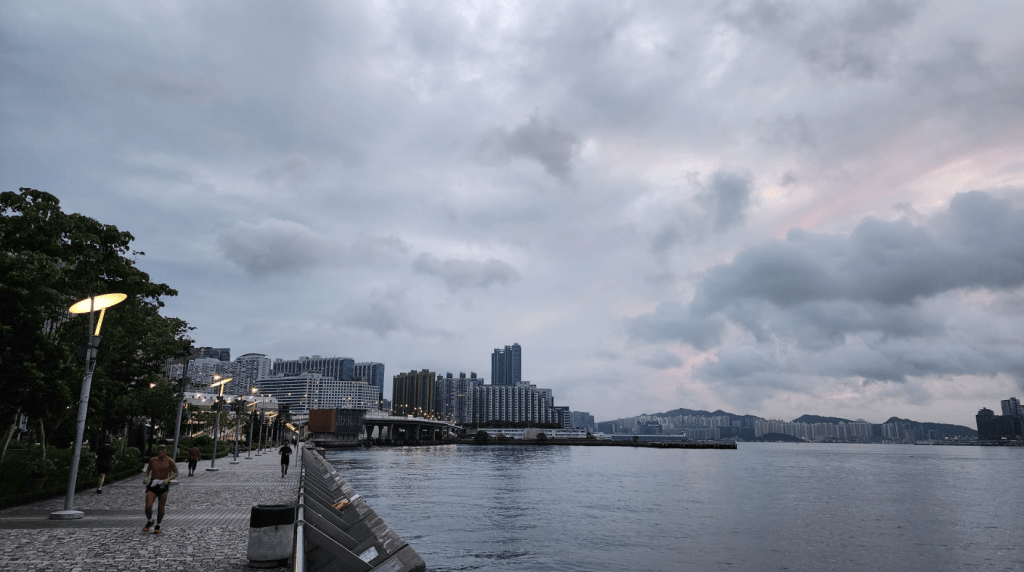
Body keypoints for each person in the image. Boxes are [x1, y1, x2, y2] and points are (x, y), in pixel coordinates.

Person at [142, 445, 179, 534]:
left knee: (161, 507)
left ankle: (158, 524)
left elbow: (176, 473)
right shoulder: (153, 460)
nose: (160, 452)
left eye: (162, 450)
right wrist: (146, 478)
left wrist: (168, 479)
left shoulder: (170, 461)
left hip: (163, 485)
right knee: (148, 505)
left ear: (166, 452)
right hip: (153, 484)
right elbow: (147, 471)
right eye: (159, 450)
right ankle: (150, 520)